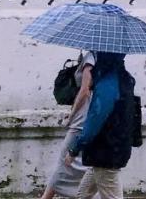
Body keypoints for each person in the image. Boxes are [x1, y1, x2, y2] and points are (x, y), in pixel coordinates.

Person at [65, 52, 138, 199]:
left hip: (105, 152)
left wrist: (74, 149)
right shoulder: (122, 78)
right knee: (82, 195)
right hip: (111, 150)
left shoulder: (107, 85)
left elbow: (94, 123)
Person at [41, 50, 95, 199]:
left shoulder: (91, 58)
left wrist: (71, 115)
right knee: (78, 164)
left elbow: (84, 90)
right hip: (90, 115)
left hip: (81, 119)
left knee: (64, 161)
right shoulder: (101, 57)